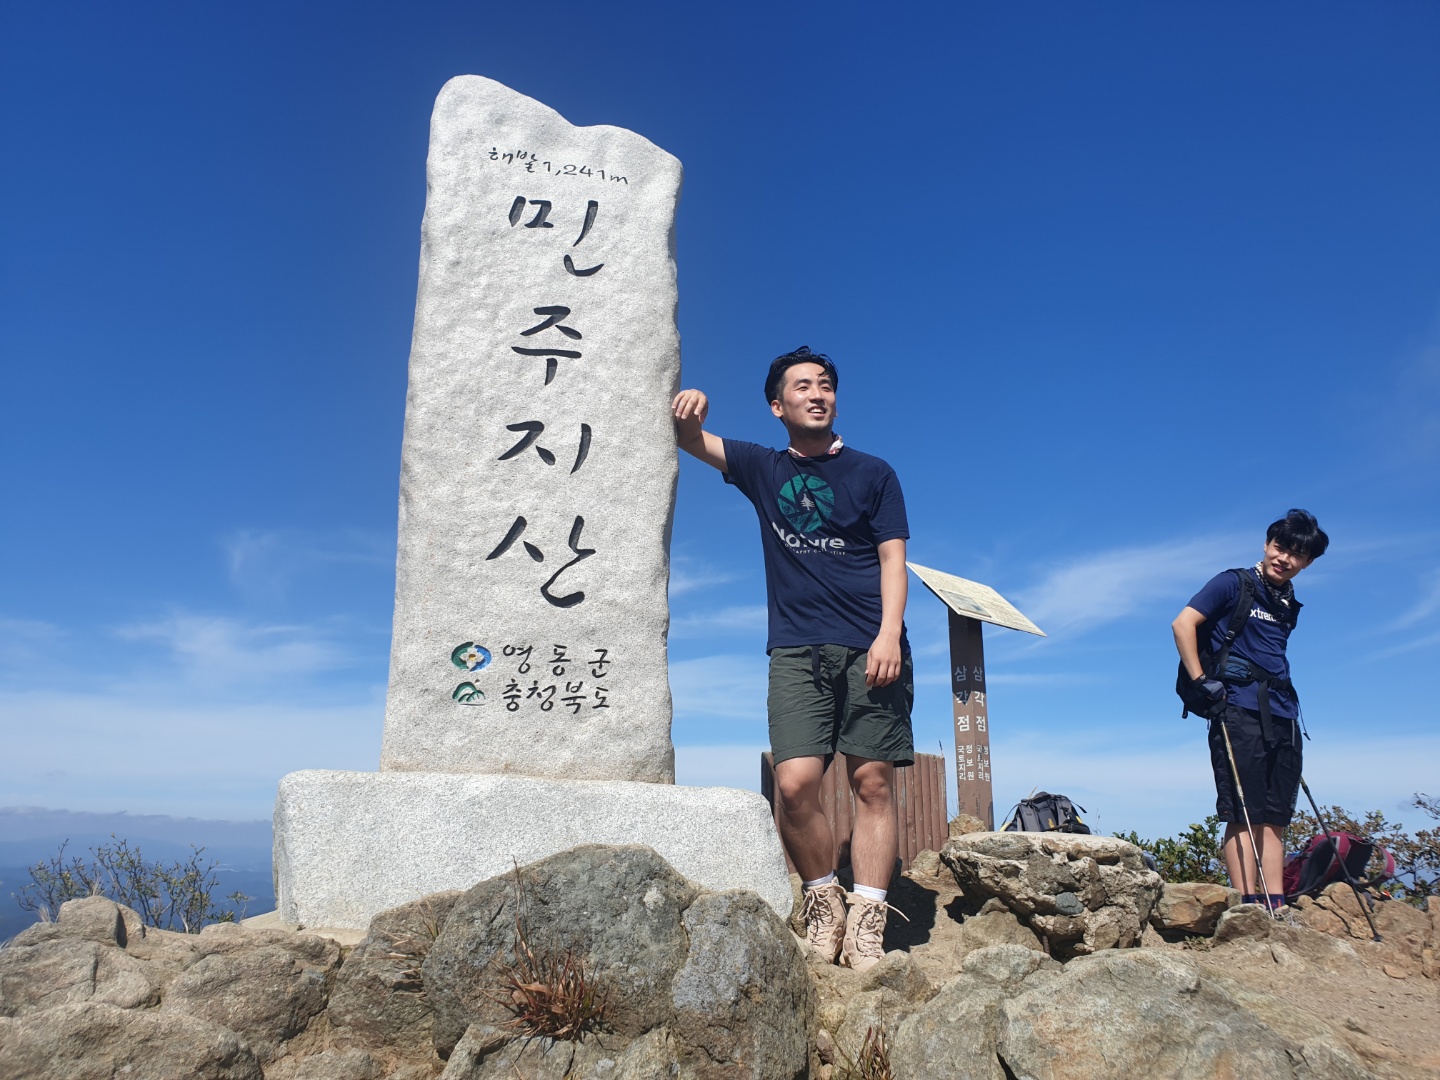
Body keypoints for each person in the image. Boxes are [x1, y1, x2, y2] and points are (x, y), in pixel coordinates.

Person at [672, 346, 913, 972]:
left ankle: (867, 919)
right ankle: (822, 898)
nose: (817, 393)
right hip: (796, 648)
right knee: (794, 783)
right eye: (802, 386)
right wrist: (691, 409)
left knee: (872, 782)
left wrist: (889, 634)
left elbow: (893, 558)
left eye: (825, 384)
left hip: (870, 643)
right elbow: (691, 441)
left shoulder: (874, 472)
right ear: (777, 406)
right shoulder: (764, 467)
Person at [1171, 509, 1330, 913]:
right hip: (1237, 708)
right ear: (1266, 544)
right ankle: (1248, 906)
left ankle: (1276, 905)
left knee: (1275, 815)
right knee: (1243, 810)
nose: (1284, 558)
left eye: (1296, 554)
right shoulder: (1233, 583)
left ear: (1308, 562)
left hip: (1284, 713)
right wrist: (1202, 681)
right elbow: (1183, 623)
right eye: (1280, 547)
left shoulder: (1288, 602)